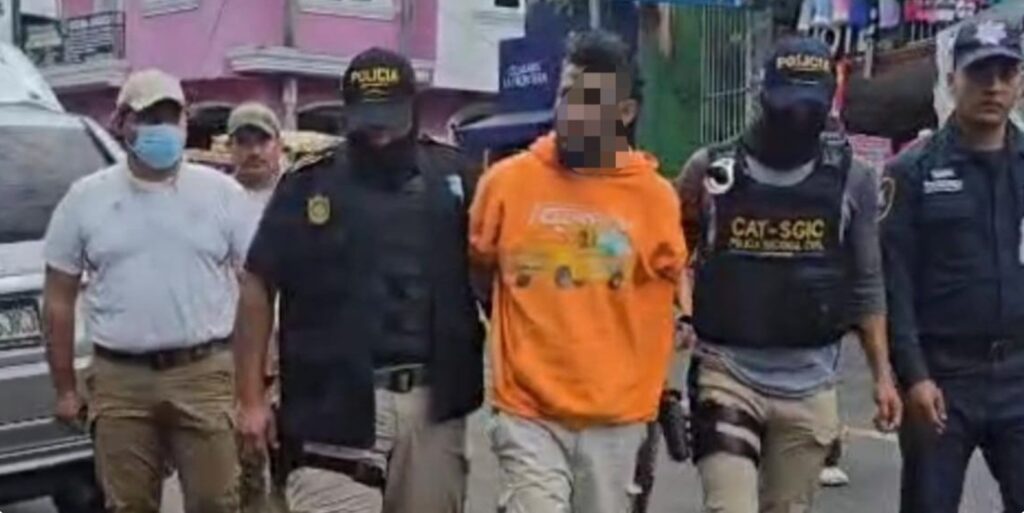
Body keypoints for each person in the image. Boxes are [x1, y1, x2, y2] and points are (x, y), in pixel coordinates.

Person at [233, 47, 485, 513]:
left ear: (415, 107)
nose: (381, 133)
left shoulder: (456, 178)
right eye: (369, 120)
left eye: (391, 118)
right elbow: (258, 283)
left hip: (433, 405)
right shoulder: (307, 186)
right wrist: (250, 399)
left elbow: (497, 277)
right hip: (330, 403)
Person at [676, 37, 902, 513]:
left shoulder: (854, 178)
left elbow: (866, 282)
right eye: (786, 105)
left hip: (810, 383)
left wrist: (883, 376)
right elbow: (671, 251)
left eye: (808, 106)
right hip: (726, 372)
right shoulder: (711, 170)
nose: (797, 117)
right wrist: (682, 313)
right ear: (762, 96)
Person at [469, 30, 691, 513]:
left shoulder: (655, 198)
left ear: (624, 113)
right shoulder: (505, 184)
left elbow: (672, 280)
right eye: (567, 93)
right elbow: (481, 272)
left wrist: (680, 335)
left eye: (590, 100)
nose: (572, 110)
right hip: (527, 412)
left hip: (619, 420)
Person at [42, 69, 251, 513]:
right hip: (120, 381)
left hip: (204, 374)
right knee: (128, 504)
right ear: (122, 123)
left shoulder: (223, 194)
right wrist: (65, 389)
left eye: (170, 118)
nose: (162, 129)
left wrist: (258, 384)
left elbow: (255, 288)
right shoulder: (85, 199)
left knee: (217, 502)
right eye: (149, 118)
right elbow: (58, 297)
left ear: (186, 122)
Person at [883, 19, 1024, 513]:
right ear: (951, 80)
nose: (994, 87)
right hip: (942, 379)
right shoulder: (911, 172)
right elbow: (895, 285)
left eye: (1006, 73)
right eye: (980, 73)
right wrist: (913, 375)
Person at [227, 102, 286, 513]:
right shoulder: (217, 199)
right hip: (235, 352)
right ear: (229, 147)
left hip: (292, 349)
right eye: (243, 142)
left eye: (262, 141)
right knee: (242, 465)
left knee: (289, 461)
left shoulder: (299, 195)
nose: (253, 151)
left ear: (278, 144)